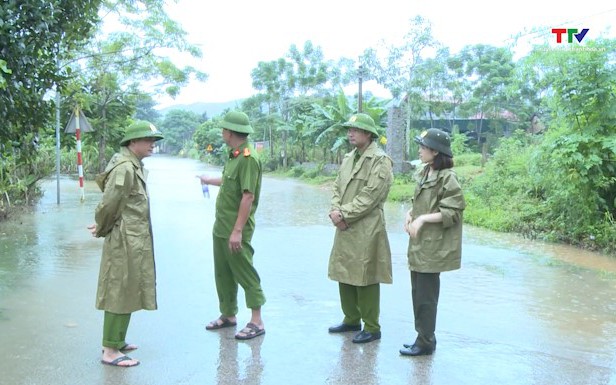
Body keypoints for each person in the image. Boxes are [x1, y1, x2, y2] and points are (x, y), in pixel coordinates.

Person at [87, 120, 164, 367]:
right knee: (119, 289)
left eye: (153, 140)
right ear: (132, 143)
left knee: (129, 286)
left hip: (134, 237)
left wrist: (102, 224)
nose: (152, 144)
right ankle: (109, 350)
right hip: (124, 238)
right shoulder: (125, 168)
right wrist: (102, 226)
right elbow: (110, 204)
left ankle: (117, 341)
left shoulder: (133, 165)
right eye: (148, 140)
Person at [197, 111, 266, 340]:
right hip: (222, 225)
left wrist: (237, 230)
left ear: (231, 132)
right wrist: (208, 180)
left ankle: (257, 320)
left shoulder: (248, 159)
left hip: (236, 228)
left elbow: (248, 197)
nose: (222, 133)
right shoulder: (234, 156)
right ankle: (228, 314)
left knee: (244, 270)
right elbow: (229, 183)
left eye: (224, 129)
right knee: (223, 272)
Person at [327, 113, 394, 344]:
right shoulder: (348, 158)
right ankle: (351, 319)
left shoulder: (380, 160)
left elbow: (372, 196)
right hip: (344, 225)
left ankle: (372, 327)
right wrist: (336, 212)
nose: (350, 133)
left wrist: (343, 214)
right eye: (349, 130)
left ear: (368, 133)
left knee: (365, 275)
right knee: (343, 272)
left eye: (355, 130)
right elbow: (337, 186)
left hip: (366, 226)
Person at [399, 128, 466, 356]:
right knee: (417, 292)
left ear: (436, 152)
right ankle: (424, 336)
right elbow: (419, 201)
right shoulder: (425, 172)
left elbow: (453, 211)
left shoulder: (448, 177)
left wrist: (424, 219)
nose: (419, 150)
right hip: (419, 244)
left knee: (426, 297)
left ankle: (425, 341)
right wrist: (411, 214)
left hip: (433, 246)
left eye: (423, 147)